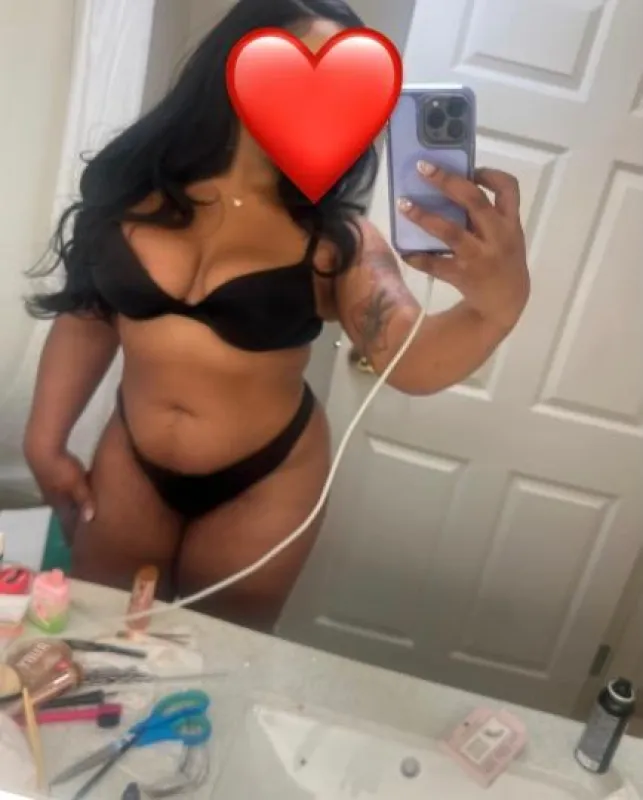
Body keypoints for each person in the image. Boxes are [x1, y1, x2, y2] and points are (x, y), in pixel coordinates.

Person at [24, 0, 530, 633]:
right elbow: (90, 316)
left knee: (216, 662)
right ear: (231, 70)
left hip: (265, 483)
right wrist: (44, 439)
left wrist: (497, 307)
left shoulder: (338, 242)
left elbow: (413, 361)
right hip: (132, 461)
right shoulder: (130, 197)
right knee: (98, 641)